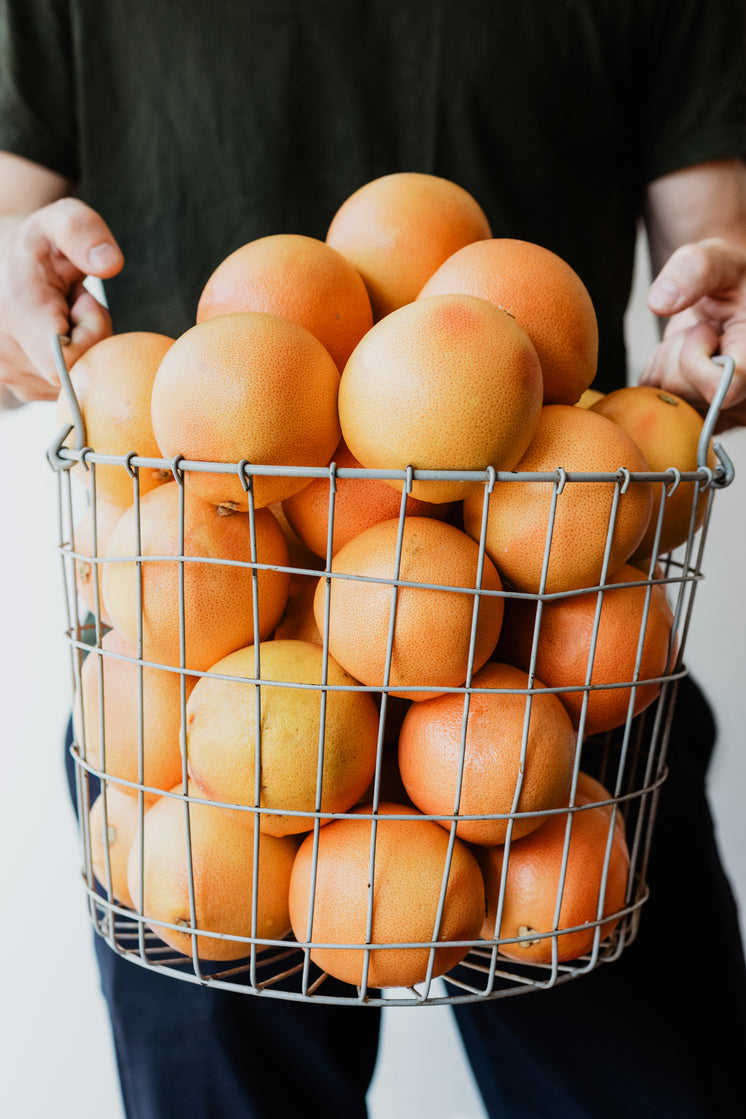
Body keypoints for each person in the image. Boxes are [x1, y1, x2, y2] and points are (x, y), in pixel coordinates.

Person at [1, 2, 745, 1117]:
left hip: (550, 653)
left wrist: (713, 341)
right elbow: (13, 231)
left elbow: (715, 243)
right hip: (204, 676)